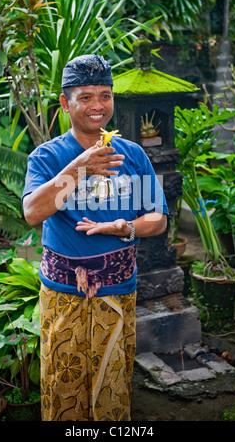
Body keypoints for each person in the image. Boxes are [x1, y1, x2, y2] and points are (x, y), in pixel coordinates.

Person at [22, 54, 169, 421]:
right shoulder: (48, 156)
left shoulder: (132, 154)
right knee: (64, 385)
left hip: (118, 291)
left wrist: (128, 227)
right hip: (64, 294)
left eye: (105, 95)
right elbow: (32, 213)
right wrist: (78, 169)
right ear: (65, 103)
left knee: (112, 384)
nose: (97, 106)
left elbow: (159, 218)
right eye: (85, 97)